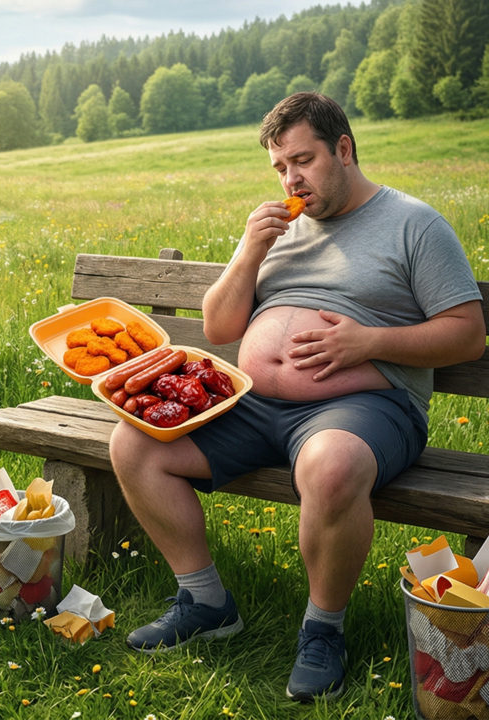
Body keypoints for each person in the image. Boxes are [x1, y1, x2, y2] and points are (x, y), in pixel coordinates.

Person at [109, 92, 484, 701]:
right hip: (254, 403)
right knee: (135, 444)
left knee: (330, 466)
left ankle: (322, 631)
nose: (292, 179)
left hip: (367, 404)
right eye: (280, 167)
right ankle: (205, 603)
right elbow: (220, 329)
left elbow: (467, 335)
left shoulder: (414, 223)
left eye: (303, 161)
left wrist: (368, 342)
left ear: (344, 149)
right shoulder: (278, 230)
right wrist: (250, 250)